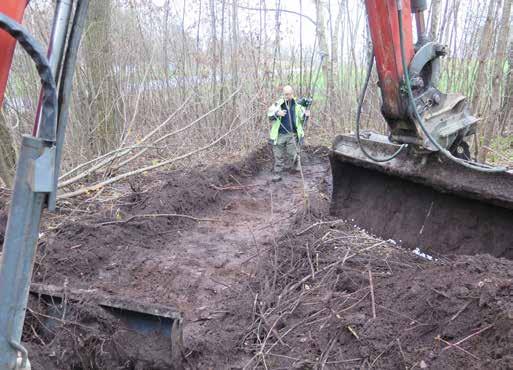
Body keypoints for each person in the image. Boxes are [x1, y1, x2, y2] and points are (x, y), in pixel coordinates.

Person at [267, 86, 310, 182]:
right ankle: (277, 174)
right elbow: (269, 113)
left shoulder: (298, 105)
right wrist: (278, 113)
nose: (288, 96)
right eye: (286, 94)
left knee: (293, 154)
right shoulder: (278, 104)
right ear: (283, 94)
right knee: (278, 155)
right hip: (279, 135)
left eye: (290, 94)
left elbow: (302, 119)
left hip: (292, 135)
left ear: (292, 93)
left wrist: (306, 115)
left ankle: (297, 170)